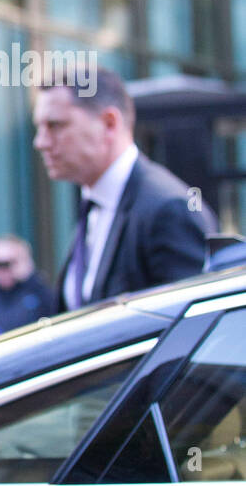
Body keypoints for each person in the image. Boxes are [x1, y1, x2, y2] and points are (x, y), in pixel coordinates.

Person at [32, 64, 218, 312]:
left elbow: (193, 328)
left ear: (109, 123)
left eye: (55, 126)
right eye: (39, 128)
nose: (40, 142)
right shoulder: (95, 204)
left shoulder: (167, 209)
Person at [0, 234, 55, 332]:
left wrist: (29, 274)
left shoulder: (36, 291)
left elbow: (54, 309)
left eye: (7, 263)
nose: (2, 270)